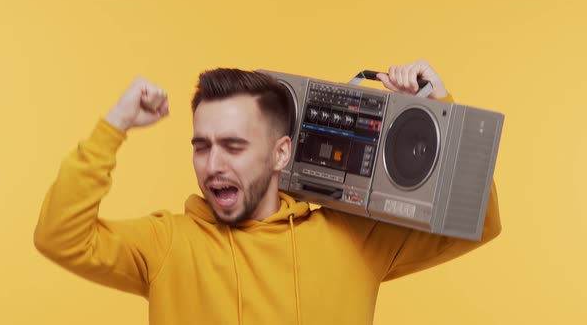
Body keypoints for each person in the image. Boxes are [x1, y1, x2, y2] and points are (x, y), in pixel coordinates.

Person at [34, 59, 501, 325]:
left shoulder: (353, 239)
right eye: (202, 146)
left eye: (234, 146)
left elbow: (479, 223)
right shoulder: (167, 246)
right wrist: (115, 124)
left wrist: (441, 109)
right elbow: (60, 236)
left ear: (281, 153)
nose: (213, 165)